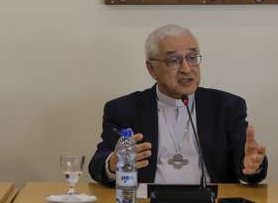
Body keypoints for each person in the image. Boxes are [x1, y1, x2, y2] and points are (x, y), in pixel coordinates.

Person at [88, 25, 267, 185]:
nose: (187, 68)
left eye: (192, 57)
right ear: (152, 69)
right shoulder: (123, 109)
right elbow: (98, 163)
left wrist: (251, 165)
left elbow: (245, 157)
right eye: (174, 60)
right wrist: (112, 164)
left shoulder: (227, 106)